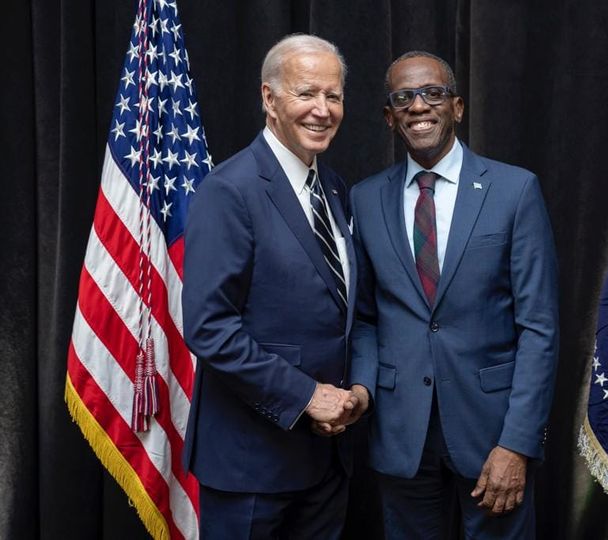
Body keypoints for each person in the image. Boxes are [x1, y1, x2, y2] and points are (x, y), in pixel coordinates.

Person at [347, 51, 559, 539]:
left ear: (457, 107)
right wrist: (362, 387)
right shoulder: (365, 197)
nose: (418, 106)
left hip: (492, 433)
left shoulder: (514, 190)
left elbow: (539, 329)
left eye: (433, 93)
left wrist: (518, 443)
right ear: (389, 115)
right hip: (402, 434)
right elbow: (363, 317)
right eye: (404, 97)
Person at [181, 34, 361, 538]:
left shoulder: (334, 188)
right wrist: (307, 396)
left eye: (334, 95)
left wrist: (346, 401)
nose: (322, 110)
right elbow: (210, 327)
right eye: (307, 93)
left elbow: (341, 311)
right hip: (251, 464)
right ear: (269, 98)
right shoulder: (228, 190)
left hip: (328, 459)